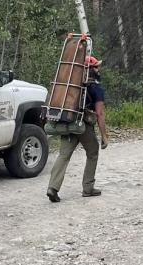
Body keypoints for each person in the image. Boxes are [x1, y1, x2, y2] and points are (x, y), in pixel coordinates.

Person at [46, 55, 108, 202]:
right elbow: (99, 113)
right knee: (93, 152)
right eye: (96, 66)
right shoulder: (95, 86)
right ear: (91, 69)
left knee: (63, 155)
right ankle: (88, 187)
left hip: (66, 123)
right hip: (83, 125)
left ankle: (52, 187)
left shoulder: (69, 83)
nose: (99, 69)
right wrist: (104, 135)